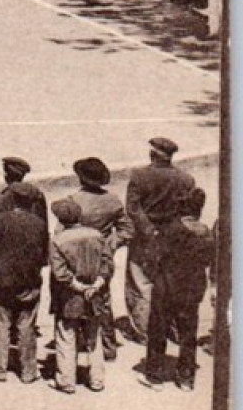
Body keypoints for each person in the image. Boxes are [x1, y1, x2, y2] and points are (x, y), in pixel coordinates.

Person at [124, 136, 193, 343]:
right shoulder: (186, 179)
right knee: (170, 282)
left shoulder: (139, 176)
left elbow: (133, 209)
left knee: (142, 283)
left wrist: (148, 230)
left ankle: (145, 332)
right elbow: (187, 210)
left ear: (153, 154)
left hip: (145, 239)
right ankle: (171, 328)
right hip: (173, 238)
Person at [143, 188, 212, 391]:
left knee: (158, 329)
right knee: (188, 332)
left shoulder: (170, 229)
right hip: (192, 289)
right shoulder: (205, 233)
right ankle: (186, 377)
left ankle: (155, 374)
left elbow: (153, 257)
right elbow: (208, 260)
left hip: (166, 287)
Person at [0, 184, 47, 383]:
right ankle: (28, 371)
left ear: (15, 200)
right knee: (27, 327)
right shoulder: (39, 223)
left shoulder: (1, 221)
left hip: (3, 282)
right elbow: (44, 256)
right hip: (29, 282)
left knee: (1, 324)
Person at [68, 156, 131, 361]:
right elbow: (126, 229)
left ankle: (81, 343)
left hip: (77, 256)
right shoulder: (113, 200)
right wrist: (110, 244)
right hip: (102, 257)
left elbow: (63, 233)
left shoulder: (74, 200)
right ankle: (108, 347)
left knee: (76, 298)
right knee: (103, 302)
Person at [49, 198, 106, 394]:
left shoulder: (58, 241)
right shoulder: (97, 235)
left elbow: (60, 273)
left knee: (66, 336)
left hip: (70, 297)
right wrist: (96, 284)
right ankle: (97, 380)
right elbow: (107, 265)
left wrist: (80, 287)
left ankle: (66, 381)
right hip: (95, 294)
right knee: (94, 338)